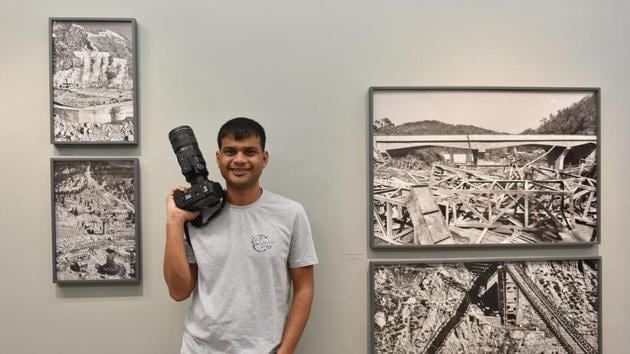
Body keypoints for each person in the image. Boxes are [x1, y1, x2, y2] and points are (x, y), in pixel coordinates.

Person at [163, 117, 318, 354]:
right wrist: (174, 222)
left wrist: (286, 351)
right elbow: (178, 291)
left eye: (249, 152)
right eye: (230, 151)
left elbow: (304, 288)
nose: (239, 160)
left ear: (264, 158)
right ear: (218, 158)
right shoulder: (197, 216)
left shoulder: (290, 213)